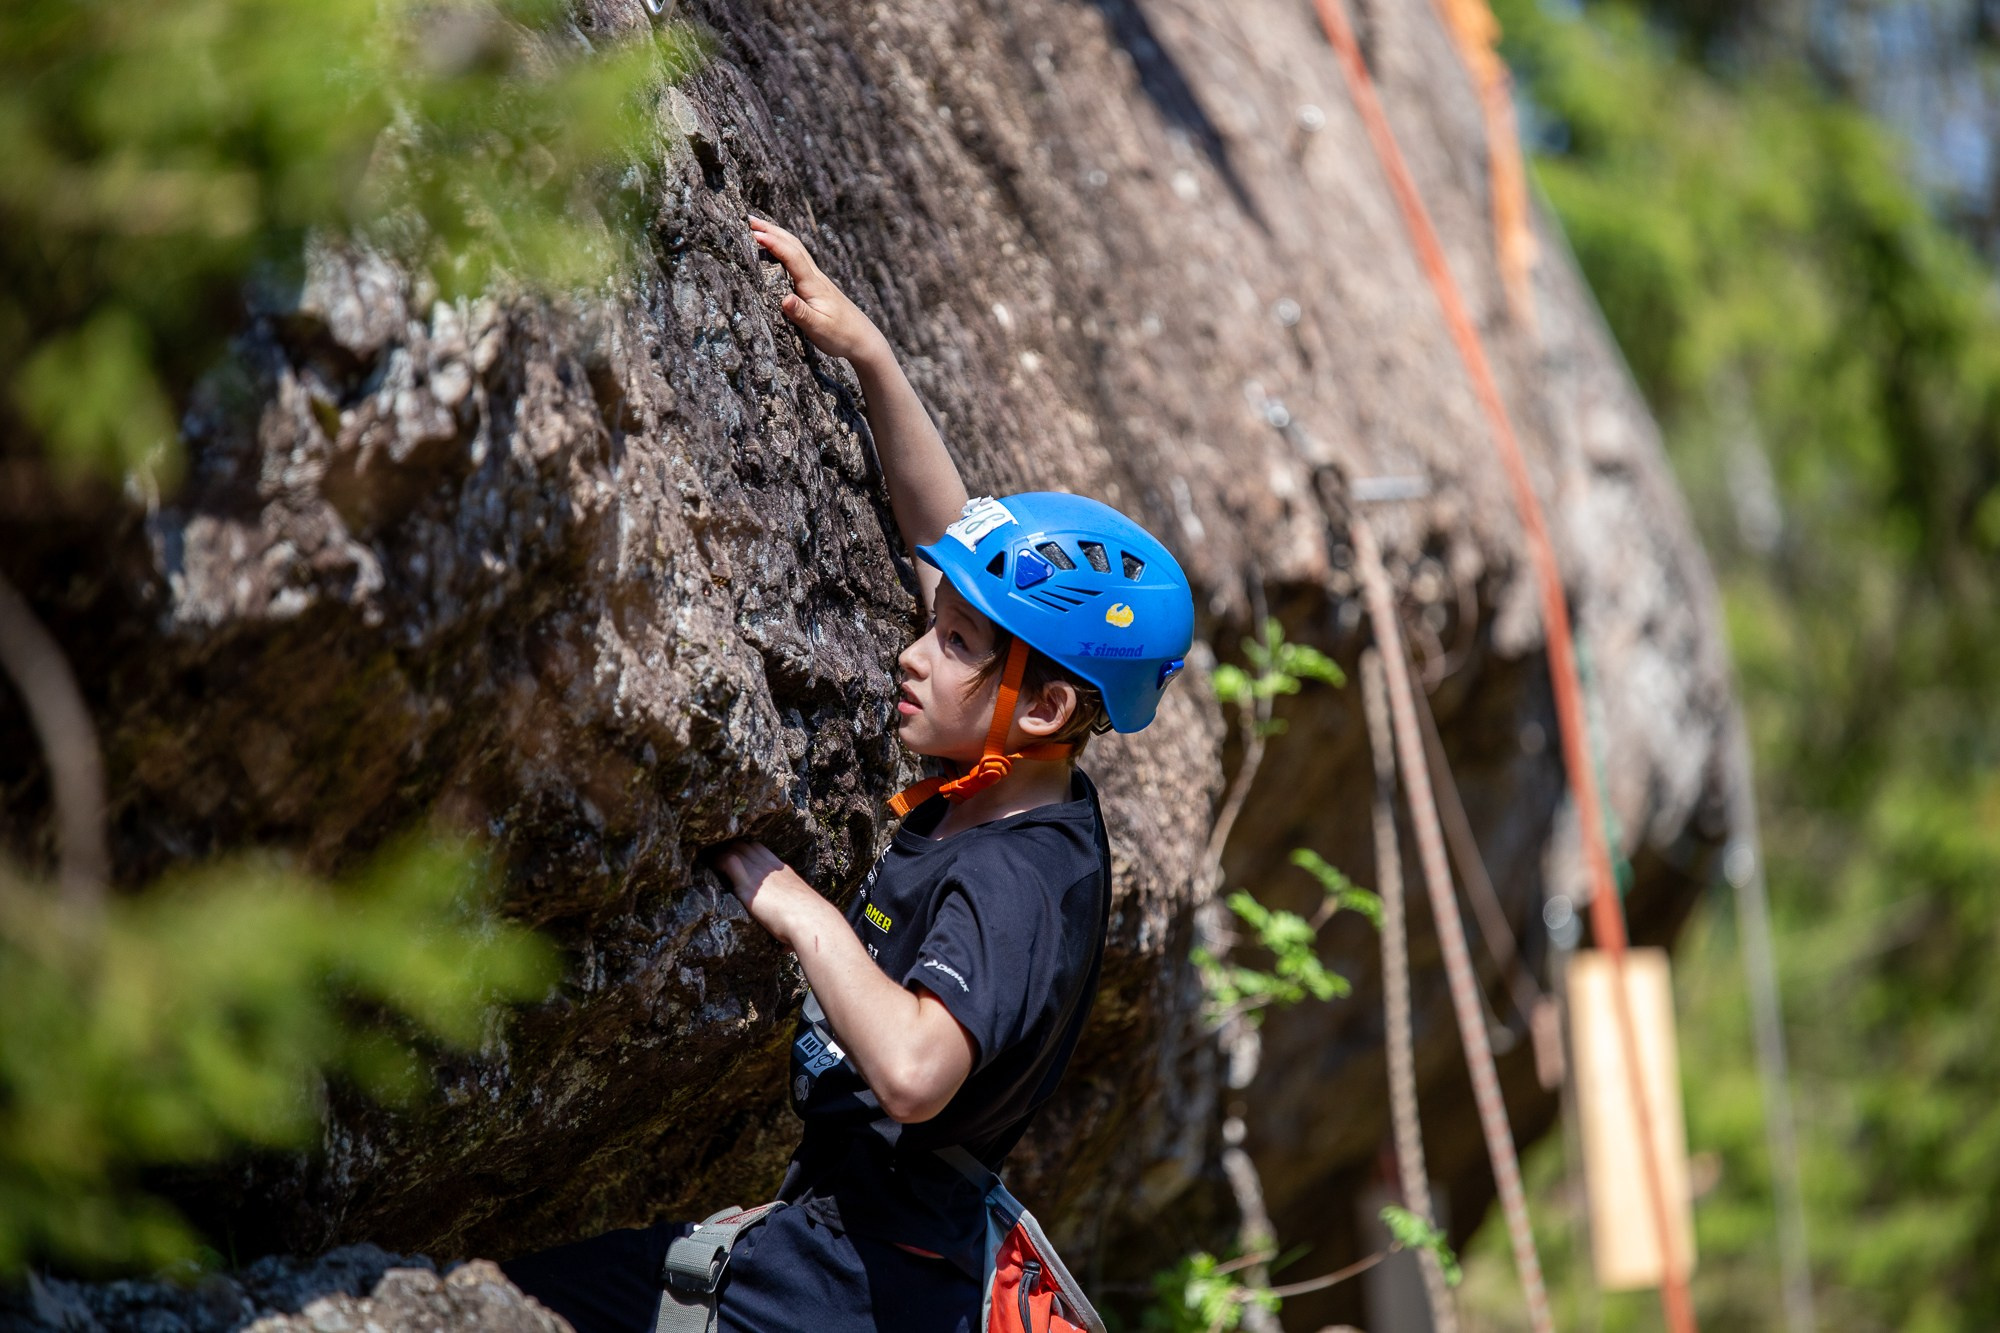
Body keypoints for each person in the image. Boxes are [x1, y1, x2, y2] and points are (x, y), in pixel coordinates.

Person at [501, 217, 1193, 1333]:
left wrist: (799, 915)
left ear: (1051, 704)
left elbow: (917, 1071)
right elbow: (944, 538)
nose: (913, 651)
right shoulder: (1029, 789)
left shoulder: (1016, 883)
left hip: (850, 1287)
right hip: (846, 1241)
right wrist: (867, 354)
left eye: (957, 645)